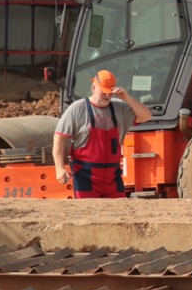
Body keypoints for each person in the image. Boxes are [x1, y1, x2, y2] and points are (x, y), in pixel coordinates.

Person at [52, 69, 152, 199]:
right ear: (93, 87)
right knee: (88, 214)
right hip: (85, 176)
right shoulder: (77, 109)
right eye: (104, 91)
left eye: (110, 93)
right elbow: (59, 138)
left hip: (112, 177)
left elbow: (146, 116)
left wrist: (127, 98)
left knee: (118, 216)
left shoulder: (120, 108)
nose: (107, 96)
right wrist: (59, 168)